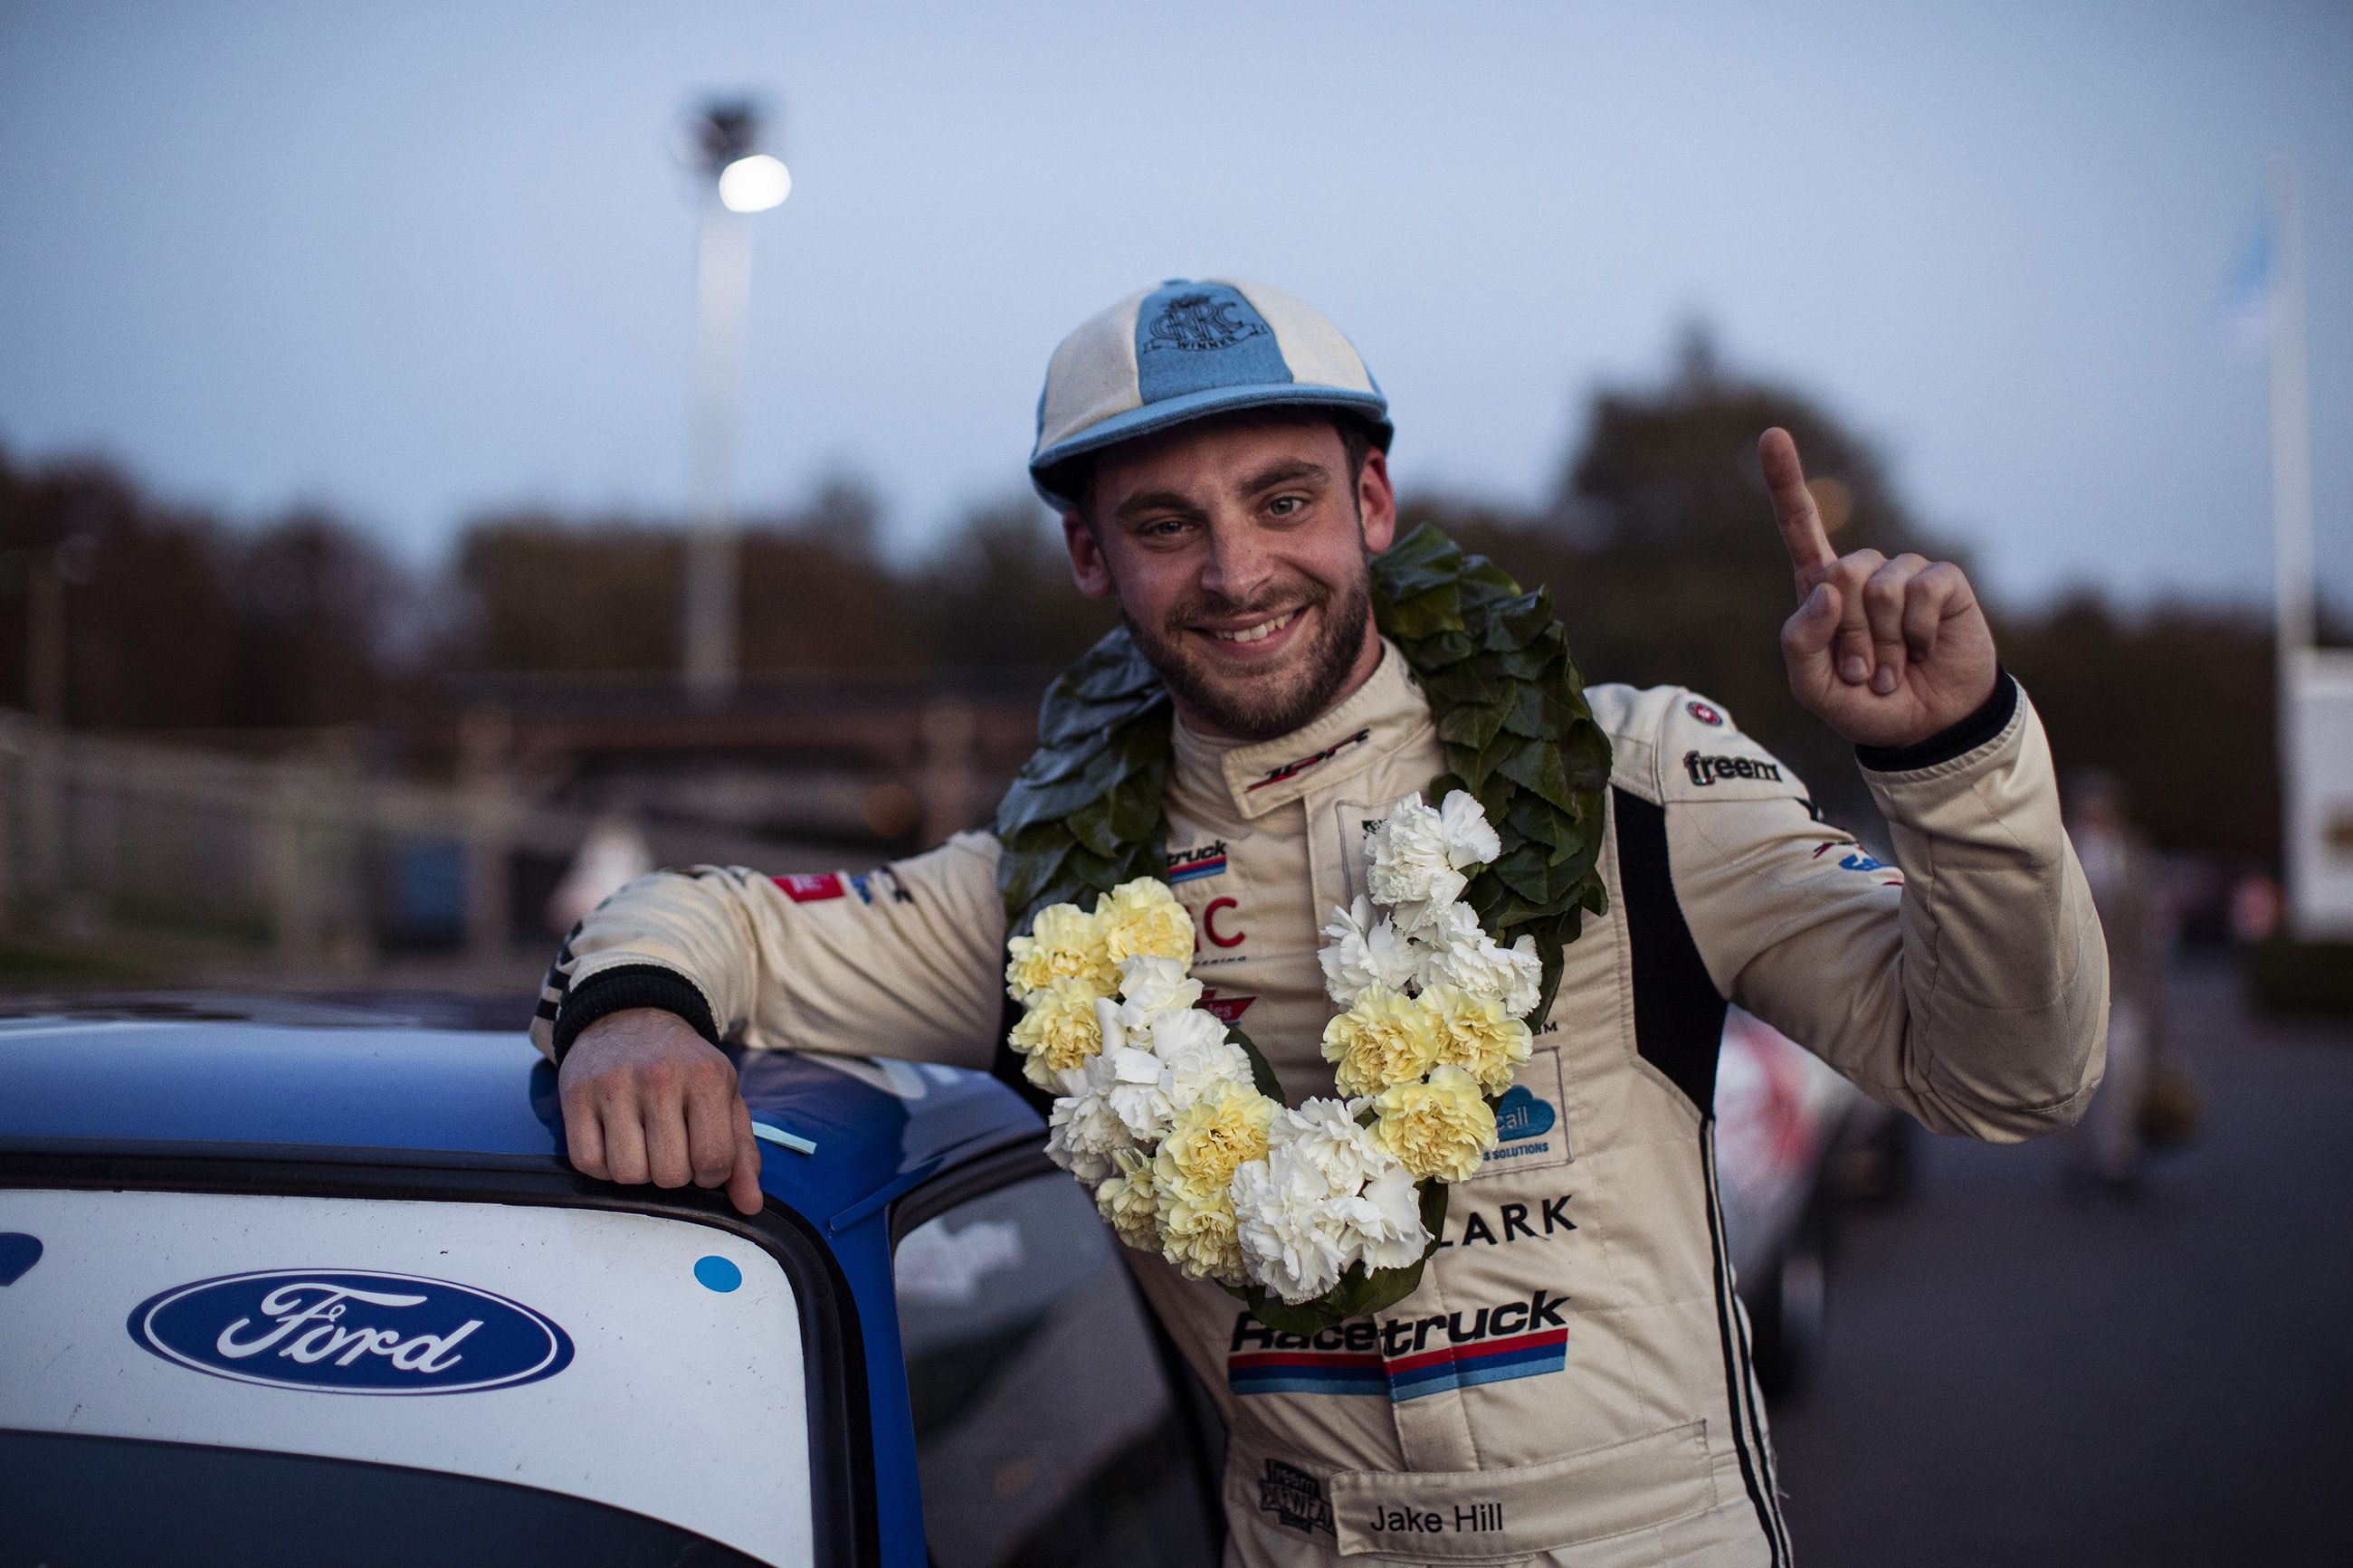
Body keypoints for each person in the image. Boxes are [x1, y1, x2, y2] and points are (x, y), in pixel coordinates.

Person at [532, 280, 2107, 1567]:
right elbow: (694, 915)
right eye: (1164, 525)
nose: (1236, 571)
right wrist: (639, 1011)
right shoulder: (1043, 894)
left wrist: (1949, 762)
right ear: (1092, 556)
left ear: (1370, 500)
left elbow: (2008, 1078)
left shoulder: (1631, 771)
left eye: (1283, 499)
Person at [2060, 767, 2169, 1193]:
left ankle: (2119, 1158)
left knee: (2126, 1067)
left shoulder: (2134, 849)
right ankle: (2078, 1160)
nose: (2098, 814)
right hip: (2073, 983)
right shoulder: (2060, 847)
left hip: (2126, 981)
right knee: (2073, 1080)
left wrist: (2156, 992)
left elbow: (2149, 923)